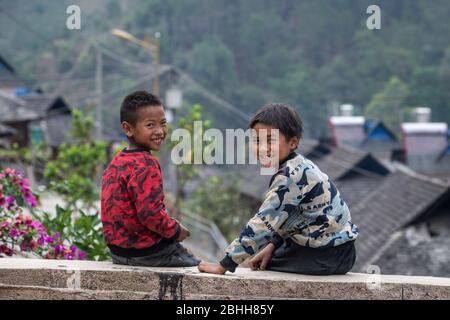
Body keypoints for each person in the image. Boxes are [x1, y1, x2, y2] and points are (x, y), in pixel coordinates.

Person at [198, 103, 358, 275]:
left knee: (262, 267)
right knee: (262, 260)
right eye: (257, 140)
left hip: (327, 255)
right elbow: (288, 215)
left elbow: (263, 222)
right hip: (339, 251)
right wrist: (272, 245)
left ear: (293, 142)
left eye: (270, 140)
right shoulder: (299, 164)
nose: (262, 148)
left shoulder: (289, 176)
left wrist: (224, 264)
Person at [101, 91, 199, 267]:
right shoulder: (146, 164)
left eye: (163, 124)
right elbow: (150, 214)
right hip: (147, 253)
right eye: (150, 125)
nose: (160, 131)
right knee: (197, 265)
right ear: (128, 129)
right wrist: (176, 231)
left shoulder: (117, 161)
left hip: (118, 252)